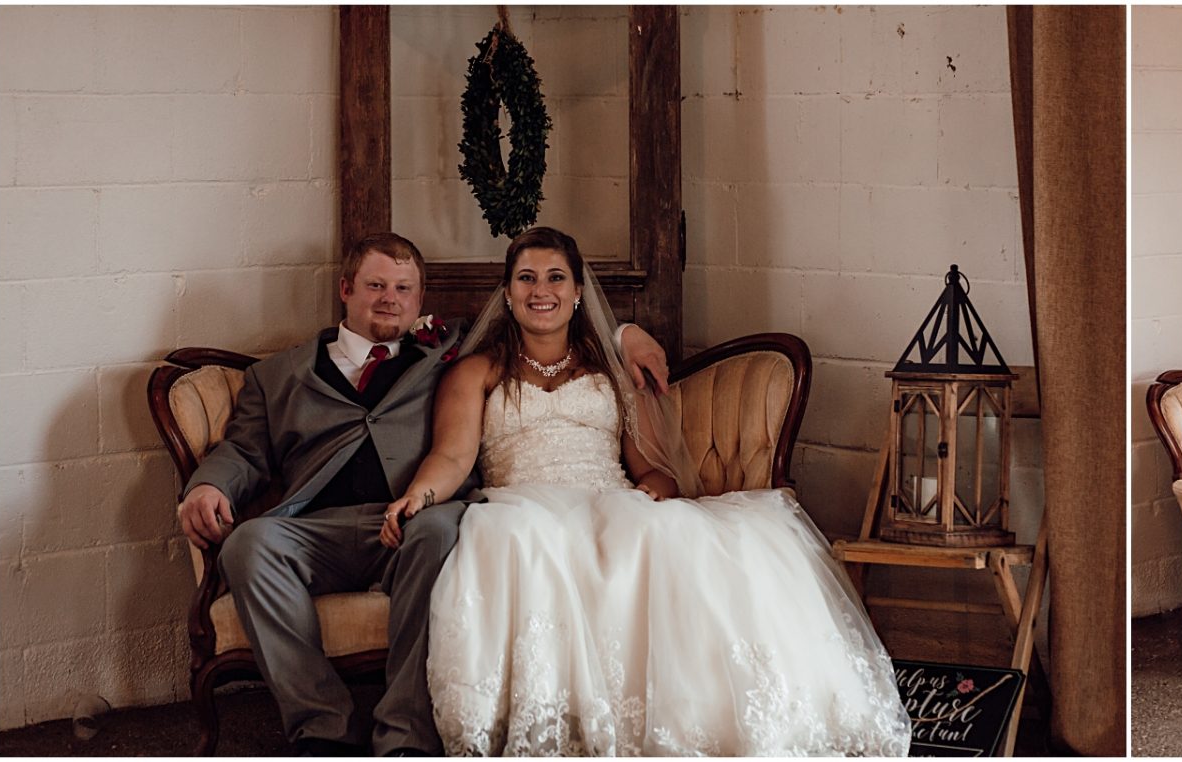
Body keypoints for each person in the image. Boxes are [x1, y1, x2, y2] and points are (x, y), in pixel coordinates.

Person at [382, 227, 909, 756]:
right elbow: (451, 457)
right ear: (508, 291)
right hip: (522, 503)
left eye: (555, 277)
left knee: (671, 533)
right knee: (520, 537)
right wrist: (418, 497)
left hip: (609, 502)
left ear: (578, 290)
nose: (541, 290)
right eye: (526, 278)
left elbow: (653, 470)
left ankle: (693, 723)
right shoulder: (477, 371)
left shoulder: (610, 372)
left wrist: (653, 493)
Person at [174, 232, 671, 756]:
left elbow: (544, 318)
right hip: (316, 527)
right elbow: (243, 450)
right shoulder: (275, 376)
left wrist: (625, 334)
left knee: (440, 531)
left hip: (416, 520)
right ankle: (322, 728)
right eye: (376, 285)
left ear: (420, 300)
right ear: (346, 288)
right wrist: (207, 484)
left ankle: (404, 735)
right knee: (248, 545)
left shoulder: (447, 350)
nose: (390, 298)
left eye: (404, 289)